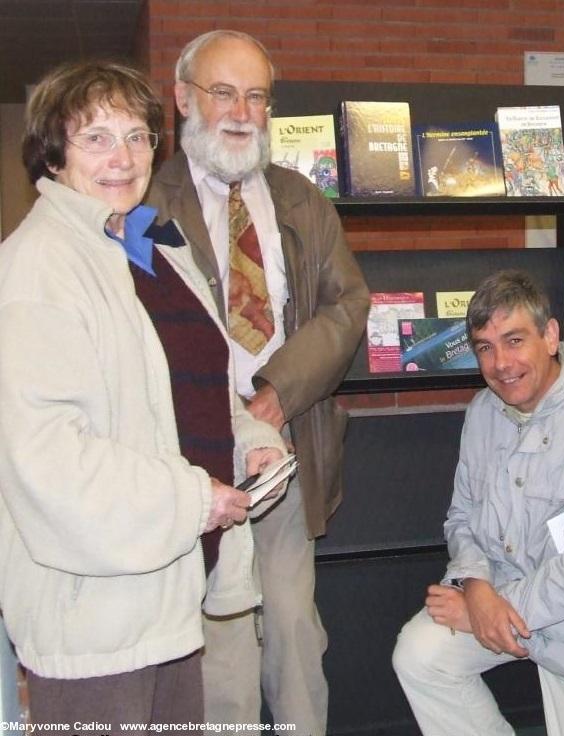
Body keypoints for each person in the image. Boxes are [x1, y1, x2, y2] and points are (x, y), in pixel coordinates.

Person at [0, 60, 285, 728]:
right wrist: (192, 498)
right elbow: (49, 459)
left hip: (169, 590)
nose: (122, 158)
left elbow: (189, 392)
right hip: (95, 614)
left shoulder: (153, 249)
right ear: (52, 153)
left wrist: (252, 442)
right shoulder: (38, 266)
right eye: (95, 138)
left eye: (136, 136)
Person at [147, 30, 370, 735]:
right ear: (182, 98)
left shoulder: (300, 199)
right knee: (223, 649)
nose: (240, 111)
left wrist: (277, 392)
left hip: (284, 449)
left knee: (297, 635)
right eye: (222, 93)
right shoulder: (147, 203)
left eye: (256, 95)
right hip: (193, 460)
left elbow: (348, 303)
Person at [392, 270, 564, 736]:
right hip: (498, 597)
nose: (501, 363)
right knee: (420, 656)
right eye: (485, 347)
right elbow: (462, 518)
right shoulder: (482, 413)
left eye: (514, 340)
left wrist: (491, 609)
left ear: (551, 336)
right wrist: (474, 586)